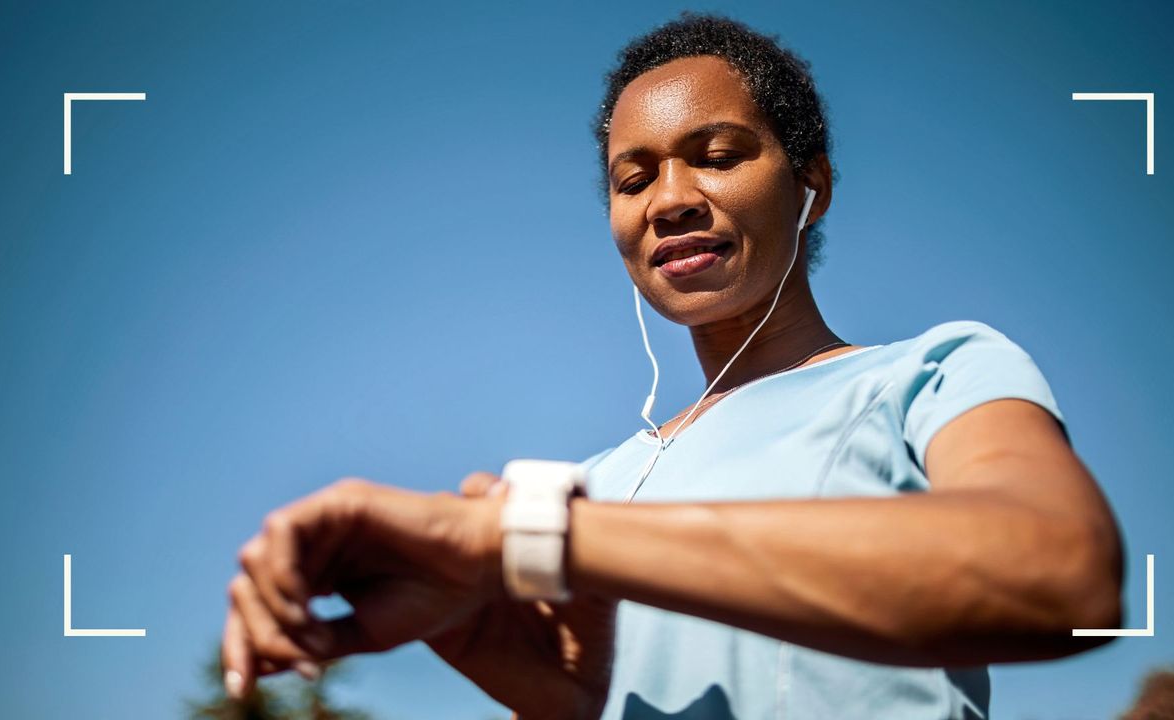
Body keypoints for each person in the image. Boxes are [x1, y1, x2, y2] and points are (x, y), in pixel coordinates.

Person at [221, 12, 1124, 720]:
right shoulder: (590, 486)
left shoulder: (934, 375)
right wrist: (555, 709)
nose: (672, 202)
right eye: (633, 178)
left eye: (718, 157)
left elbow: (1065, 577)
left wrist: (537, 539)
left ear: (813, 184)